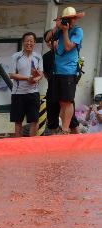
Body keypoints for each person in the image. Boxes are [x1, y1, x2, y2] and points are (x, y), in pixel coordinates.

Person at [51, 7, 84, 135]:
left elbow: (68, 46)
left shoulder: (78, 31)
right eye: (66, 19)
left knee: (67, 101)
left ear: (75, 19)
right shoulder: (60, 30)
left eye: (71, 19)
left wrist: (65, 31)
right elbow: (48, 38)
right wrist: (56, 27)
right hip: (58, 71)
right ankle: (65, 127)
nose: (69, 21)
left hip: (69, 71)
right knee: (61, 101)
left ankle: (65, 129)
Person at [42, 30, 79, 134]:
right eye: (49, 40)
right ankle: (55, 143)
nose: (51, 42)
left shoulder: (67, 53)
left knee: (72, 120)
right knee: (52, 118)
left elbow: (76, 72)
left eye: (54, 39)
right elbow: (45, 74)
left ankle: (77, 140)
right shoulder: (45, 57)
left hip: (66, 88)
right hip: (52, 89)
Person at [8, 32, 43, 137]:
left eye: (31, 41)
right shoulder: (16, 56)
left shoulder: (38, 57)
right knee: (18, 121)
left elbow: (40, 73)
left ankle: (32, 144)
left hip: (33, 93)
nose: (29, 43)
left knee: (34, 120)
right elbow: (11, 74)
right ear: (23, 42)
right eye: (27, 41)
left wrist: (35, 79)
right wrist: (28, 78)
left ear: (34, 43)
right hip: (18, 93)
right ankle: (18, 145)